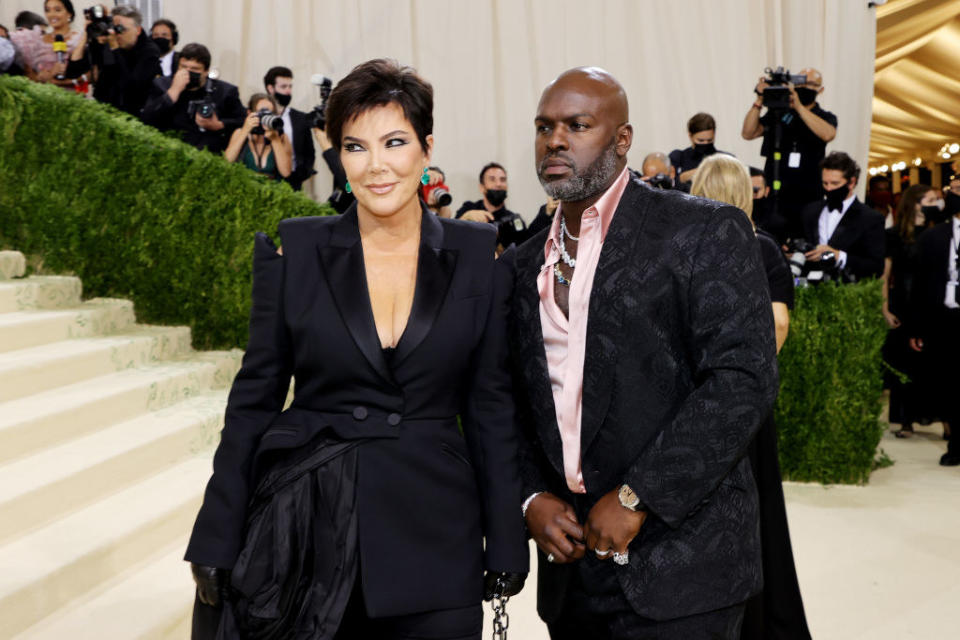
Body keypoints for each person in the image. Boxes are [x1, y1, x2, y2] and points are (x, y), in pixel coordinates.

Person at [185, 58, 528, 639]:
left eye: (394, 142)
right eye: (355, 147)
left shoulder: (477, 255)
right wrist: (217, 532)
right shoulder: (295, 250)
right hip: (311, 538)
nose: (376, 166)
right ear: (339, 157)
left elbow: (490, 405)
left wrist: (506, 537)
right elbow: (253, 401)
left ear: (426, 148)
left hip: (437, 536)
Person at [505, 66, 777, 639]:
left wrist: (637, 496)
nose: (555, 140)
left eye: (578, 125)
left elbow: (742, 379)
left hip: (685, 568)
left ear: (621, 140)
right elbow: (510, 396)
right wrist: (530, 494)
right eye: (544, 127)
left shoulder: (702, 231)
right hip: (572, 573)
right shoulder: (521, 263)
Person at [690, 154, 811, 640]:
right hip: (744, 406)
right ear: (748, 191)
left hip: (688, 402)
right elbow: (779, 323)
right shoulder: (760, 247)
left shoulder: (682, 243)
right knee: (757, 519)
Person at [742, 68, 837, 239]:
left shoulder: (824, 116)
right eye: (800, 82)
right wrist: (759, 100)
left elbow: (828, 134)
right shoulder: (778, 113)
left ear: (820, 90)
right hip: (776, 193)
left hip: (808, 193)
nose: (803, 87)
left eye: (810, 84)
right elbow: (748, 133)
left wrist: (799, 107)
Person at [883, 185, 942, 438]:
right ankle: (905, 419)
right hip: (903, 302)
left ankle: (930, 414)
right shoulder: (894, 234)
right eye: (930, 200)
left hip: (931, 302)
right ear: (916, 204)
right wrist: (884, 308)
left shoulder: (939, 232)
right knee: (904, 362)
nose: (936, 204)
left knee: (931, 362)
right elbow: (885, 275)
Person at [909, 202, 960, 466]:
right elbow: (919, 283)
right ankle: (955, 443)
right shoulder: (933, 236)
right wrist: (916, 327)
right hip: (945, 320)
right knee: (949, 383)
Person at [141, 43, 245, 153]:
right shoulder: (162, 85)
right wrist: (172, 93)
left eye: (195, 69)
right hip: (168, 150)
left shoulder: (225, 92)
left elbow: (242, 120)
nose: (187, 72)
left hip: (208, 153)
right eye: (183, 67)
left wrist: (219, 125)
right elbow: (146, 118)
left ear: (206, 71)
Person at [800, 152, 885, 281]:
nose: (828, 189)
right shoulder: (810, 211)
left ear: (851, 182)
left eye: (834, 184)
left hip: (846, 292)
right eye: (825, 183)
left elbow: (876, 267)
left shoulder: (870, 218)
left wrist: (838, 256)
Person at [65, 5, 160, 116]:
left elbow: (132, 88)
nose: (117, 34)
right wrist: (86, 35)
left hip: (133, 116)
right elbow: (72, 72)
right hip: (104, 112)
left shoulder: (149, 51)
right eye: (115, 28)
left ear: (138, 30)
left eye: (121, 30)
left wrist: (115, 48)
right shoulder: (108, 42)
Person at [263, 66, 317, 191]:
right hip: (266, 179)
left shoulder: (300, 118)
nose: (288, 91)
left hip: (293, 181)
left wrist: (303, 174)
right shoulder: (261, 116)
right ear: (270, 88)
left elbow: (310, 152)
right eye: (283, 87)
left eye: (290, 86)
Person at [9, 0, 81, 88]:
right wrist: (39, 77)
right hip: (43, 96)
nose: (51, 14)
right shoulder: (37, 40)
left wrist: (58, 81)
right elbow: (29, 75)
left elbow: (90, 75)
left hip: (72, 97)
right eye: (48, 10)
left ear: (69, 14)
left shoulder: (79, 39)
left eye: (57, 10)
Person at [223, 93, 293, 181]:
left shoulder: (281, 137)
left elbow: (286, 172)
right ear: (250, 113)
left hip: (271, 191)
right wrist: (245, 131)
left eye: (270, 113)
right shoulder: (240, 133)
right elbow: (226, 162)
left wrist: (275, 140)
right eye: (262, 113)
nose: (265, 117)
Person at [456, 162, 527, 249]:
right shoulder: (468, 208)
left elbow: (523, 253)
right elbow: (451, 237)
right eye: (492, 179)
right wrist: (464, 219)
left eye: (503, 180)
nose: (498, 184)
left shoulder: (515, 221)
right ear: (482, 187)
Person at [669, 112, 730, 186]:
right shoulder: (678, 158)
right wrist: (682, 178)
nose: (705, 143)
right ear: (690, 136)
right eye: (701, 140)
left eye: (710, 140)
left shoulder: (727, 159)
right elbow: (668, 187)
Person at [750, 166, 787, 243]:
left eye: (755, 190)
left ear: (766, 191)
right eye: (746, 189)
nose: (750, 194)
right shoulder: (730, 217)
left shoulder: (776, 224)